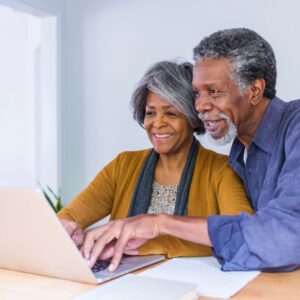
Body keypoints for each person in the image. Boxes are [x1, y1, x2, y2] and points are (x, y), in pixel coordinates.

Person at [81, 28, 300, 273]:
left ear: (255, 91)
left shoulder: (295, 129)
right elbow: (249, 240)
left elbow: (285, 237)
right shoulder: (242, 152)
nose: (201, 106)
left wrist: (159, 224)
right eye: (197, 93)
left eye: (214, 91)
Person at [58, 60, 252, 264]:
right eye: (150, 113)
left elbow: (241, 235)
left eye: (170, 113)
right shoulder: (123, 166)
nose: (157, 124)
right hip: (125, 283)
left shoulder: (222, 170)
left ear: (193, 118)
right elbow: (69, 216)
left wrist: (142, 245)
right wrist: (68, 230)